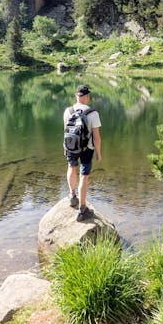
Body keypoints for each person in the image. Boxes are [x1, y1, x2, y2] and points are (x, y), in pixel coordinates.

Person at [64, 84, 101, 222]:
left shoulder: (68, 111)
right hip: (87, 148)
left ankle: (72, 196)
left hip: (71, 146)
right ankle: (82, 209)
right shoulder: (93, 113)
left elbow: (65, 131)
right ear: (87, 97)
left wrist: (65, 148)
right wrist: (98, 153)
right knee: (84, 175)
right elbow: (97, 137)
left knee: (71, 167)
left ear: (76, 96)